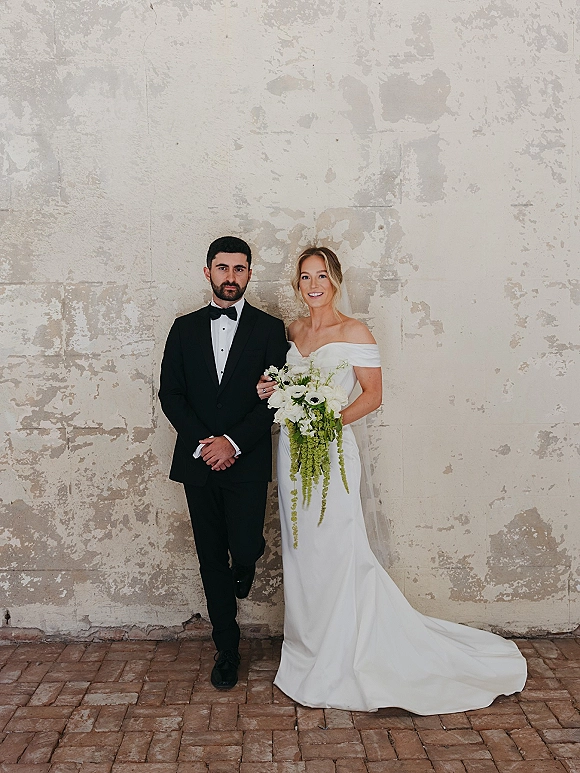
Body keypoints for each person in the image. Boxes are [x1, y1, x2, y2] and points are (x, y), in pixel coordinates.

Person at [257, 246, 527, 713]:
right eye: (305, 277)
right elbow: (282, 383)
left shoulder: (355, 330)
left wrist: (329, 420)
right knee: (302, 551)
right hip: (293, 456)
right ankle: (310, 648)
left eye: (321, 275)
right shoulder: (294, 331)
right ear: (298, 285)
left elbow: (373, 395)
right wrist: (273, 389)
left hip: (332, 452)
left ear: (336, 280)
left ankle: (347, 651)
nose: (313, 284)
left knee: (337, 547)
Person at [159, 236, 288, 690]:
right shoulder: (183, 328)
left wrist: (232, 442)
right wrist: (205, 443)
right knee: (211, 558)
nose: (230, 276)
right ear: (207, 271)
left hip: (246, 460)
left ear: (250, 273)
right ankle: (227, 649)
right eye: (222, 267)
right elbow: (170, 394)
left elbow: (277, 400)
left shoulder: (272, 330)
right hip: (198, 463)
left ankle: (249, 559)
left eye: (239, 268)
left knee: (246, 544)